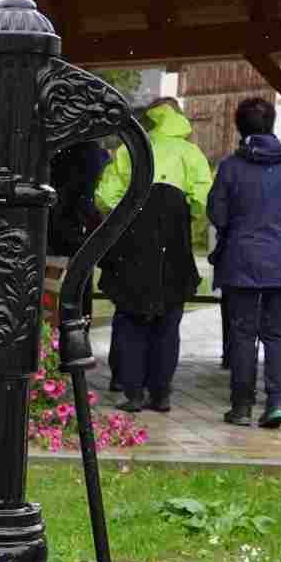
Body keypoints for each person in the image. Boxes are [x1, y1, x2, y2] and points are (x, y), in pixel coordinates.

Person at [93, 98, 211, 413]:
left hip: (132, 242)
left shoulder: (130, 151)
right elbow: (202, 201)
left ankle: (131, 391)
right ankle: (161, 393)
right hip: (174, 246)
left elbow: (105, 196)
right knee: (168, 321)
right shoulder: (191, 153)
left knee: (130, 318)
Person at [208, 96, 281, 429]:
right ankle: (275, 402)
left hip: (241, 259)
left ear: (239, 127)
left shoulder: (231, 166)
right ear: (272, 124)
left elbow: (217, 213)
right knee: (278, 334)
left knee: (242, 334)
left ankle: (241, 406)